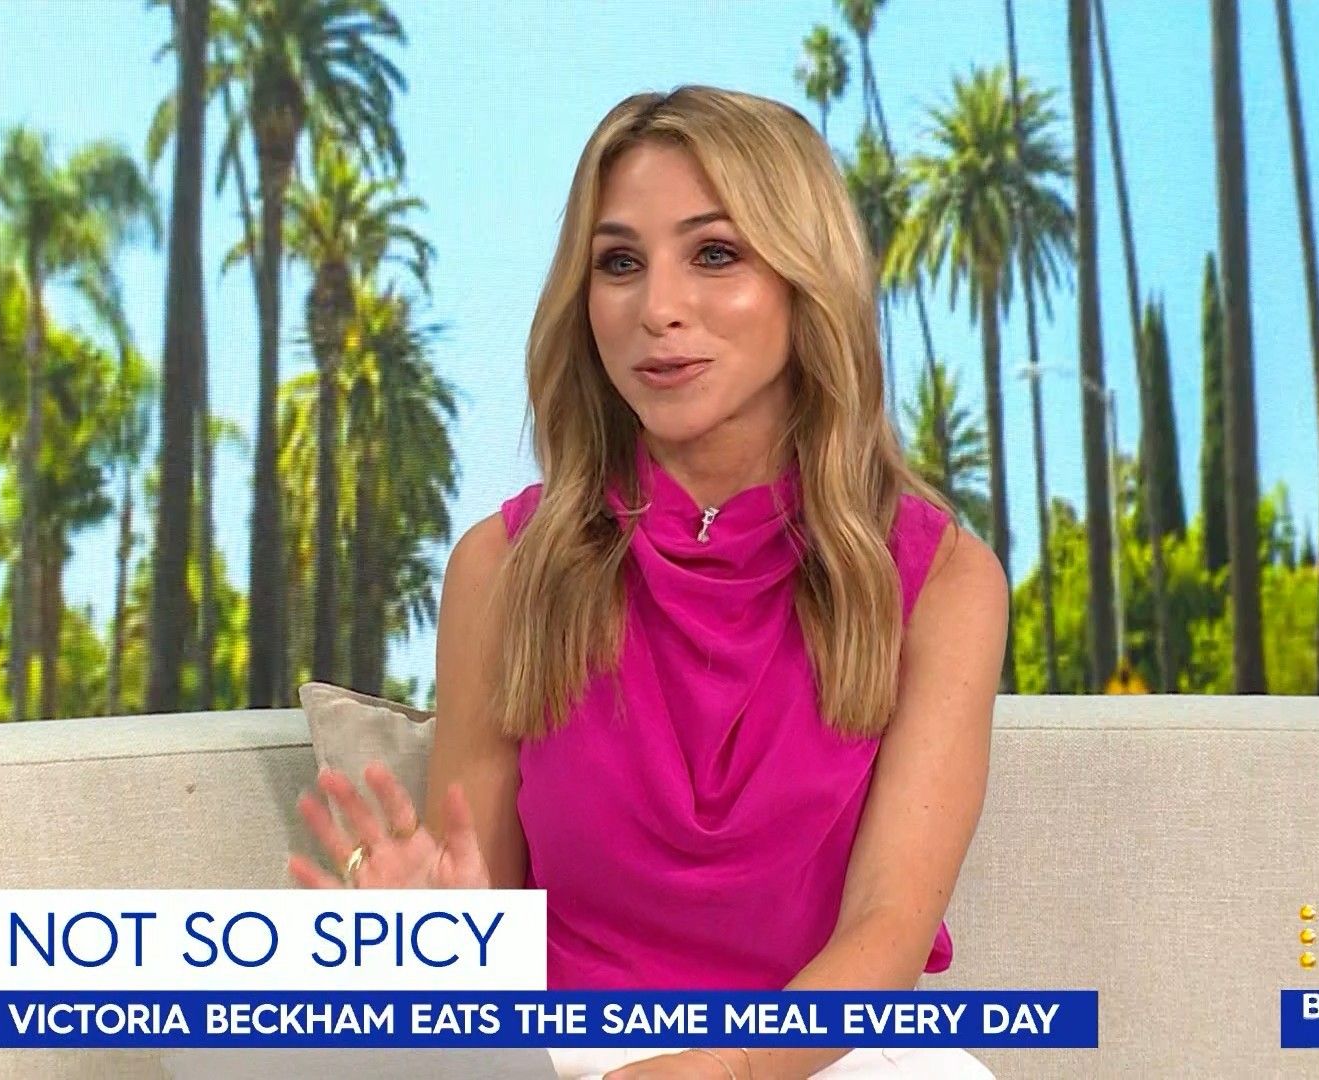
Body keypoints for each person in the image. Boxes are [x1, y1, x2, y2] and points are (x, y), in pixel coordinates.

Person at [287, 85, 1007, 1079]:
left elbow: (886, 929)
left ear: (806, 279)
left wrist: (728, 1070)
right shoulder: (501, 570)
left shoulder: (944, 582)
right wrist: (429, 949)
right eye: (619, 263)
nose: (657, 309)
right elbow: (476, 908)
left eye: (714, 254)